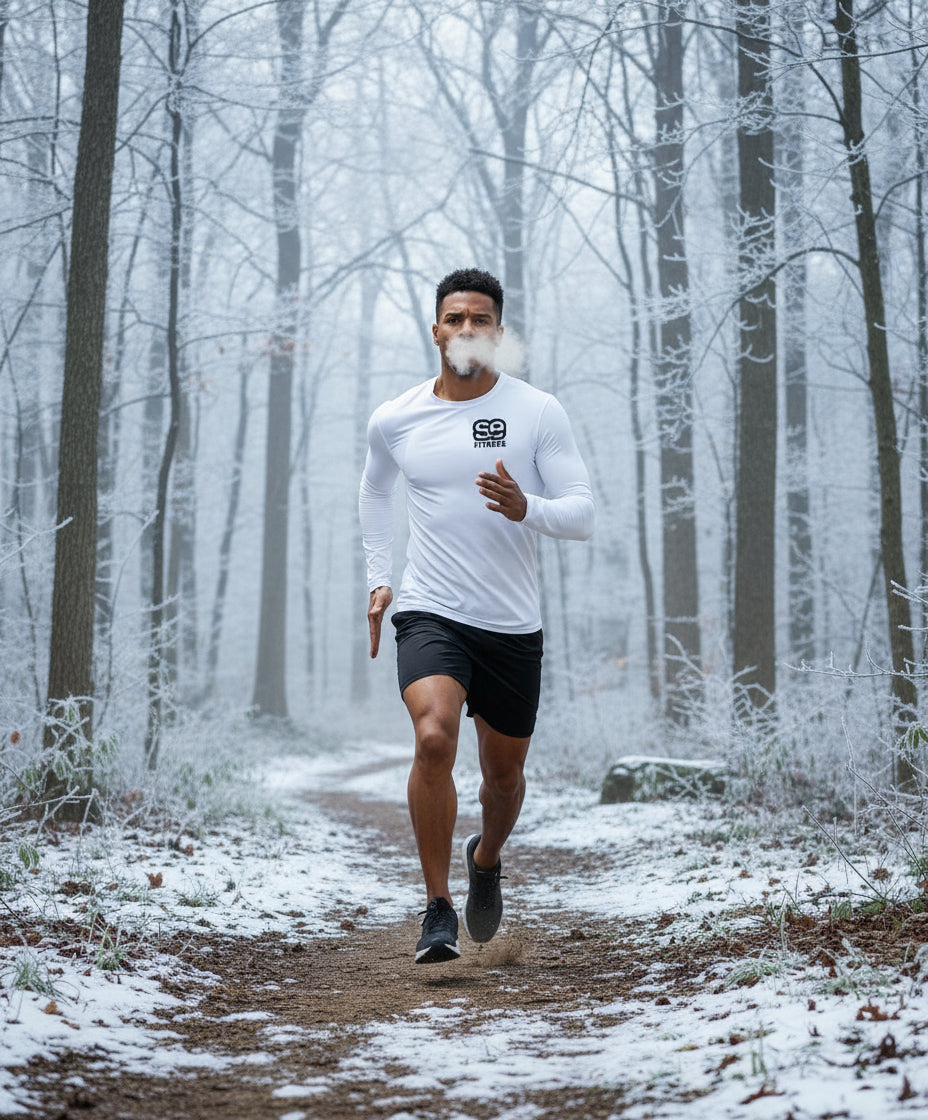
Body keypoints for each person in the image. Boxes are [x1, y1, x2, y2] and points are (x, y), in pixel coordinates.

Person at [358, 268, 595, 964]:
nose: (467, 328)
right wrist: (380, 579)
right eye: (455, 318)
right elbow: (374, 492)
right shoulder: (396, 417)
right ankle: (437, 909)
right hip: (431, 609)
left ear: (498, 331)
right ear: (436, 330)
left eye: (480, 319)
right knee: (434, 738)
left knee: (503, 778)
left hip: (511, 624)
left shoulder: (536, 411)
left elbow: (582, 513)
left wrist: (529, 508)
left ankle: (486, 859)